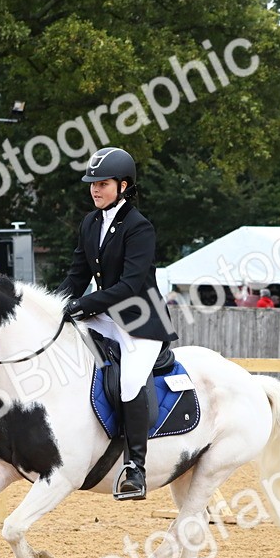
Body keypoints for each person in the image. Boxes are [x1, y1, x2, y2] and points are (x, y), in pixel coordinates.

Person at [58, 147, 177, 501]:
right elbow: (76, 275)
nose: (95, 189)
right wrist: (55, 305)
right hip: (106, 316)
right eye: (92, 183)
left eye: (103, 183)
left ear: (123, 185)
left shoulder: (140, 227)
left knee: (128, 383)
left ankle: (135, 468)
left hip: (141, 321)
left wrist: (81, 305)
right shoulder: (90, 222)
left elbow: (129, 285)